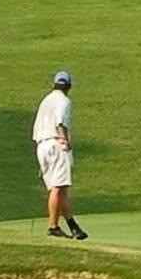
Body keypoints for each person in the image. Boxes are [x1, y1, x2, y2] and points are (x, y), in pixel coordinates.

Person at [34, 71, 86, 239]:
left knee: (59, 187)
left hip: (41, 145)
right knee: (58, 188)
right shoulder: (64, 101)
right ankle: (53, 226)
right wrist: (66, 140)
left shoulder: (46, 100)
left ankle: (73, 226)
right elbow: (60, 122)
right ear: (69, 86)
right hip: (55, 144)